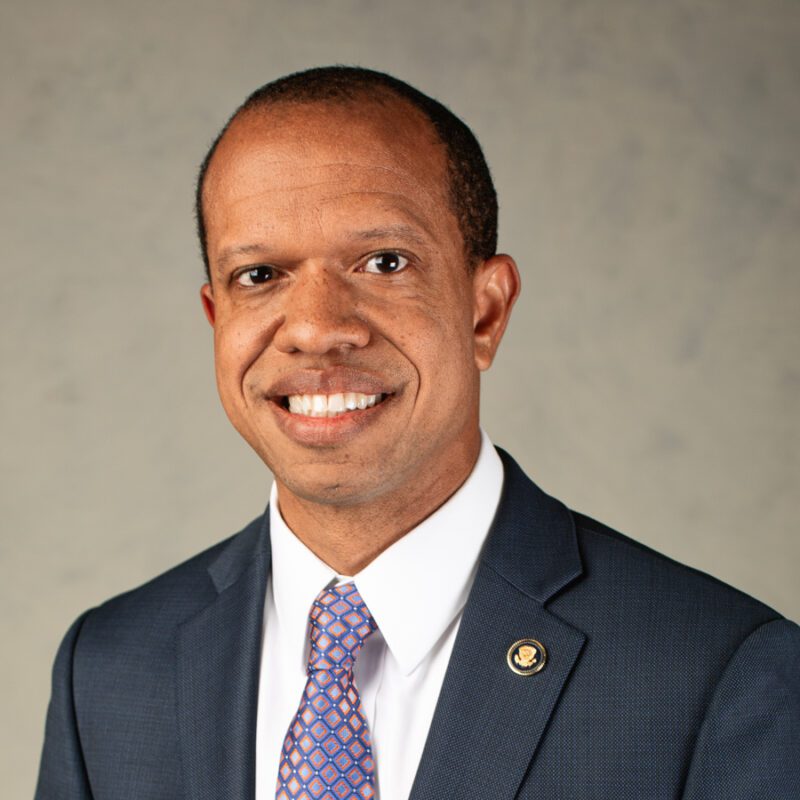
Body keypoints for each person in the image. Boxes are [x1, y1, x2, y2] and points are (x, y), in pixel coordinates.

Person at [35, 66, 799, 800]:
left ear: (485, 312)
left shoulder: (717, 677)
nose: (315, 328)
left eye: (383, 262)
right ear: (216, 318)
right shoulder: (107, 672)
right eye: (260, 276)